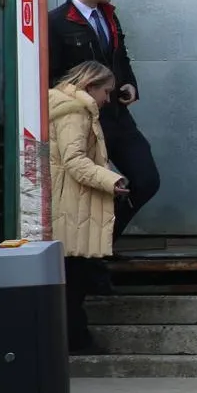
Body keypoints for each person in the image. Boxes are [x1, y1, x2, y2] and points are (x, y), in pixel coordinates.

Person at [50, 0, 158, 238]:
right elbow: (52, 77)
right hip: (83, 121)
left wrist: (130, 85)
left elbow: (120, 57)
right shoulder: (57, 23)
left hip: (118, 117)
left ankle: (105, 239)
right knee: (93, 187)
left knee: (146, 179)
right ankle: (94, 252)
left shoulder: (109, 16)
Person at [49, 61, 128, 355]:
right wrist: (112, 180)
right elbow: (75, 162)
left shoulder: (67, 105)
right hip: (73, 206)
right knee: (74, 282)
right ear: (90, 86)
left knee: (73, 277)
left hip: (68, 203)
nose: (108, 98)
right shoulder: (75, 113)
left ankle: (76, 341)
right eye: (106, 91)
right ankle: (76, 343)